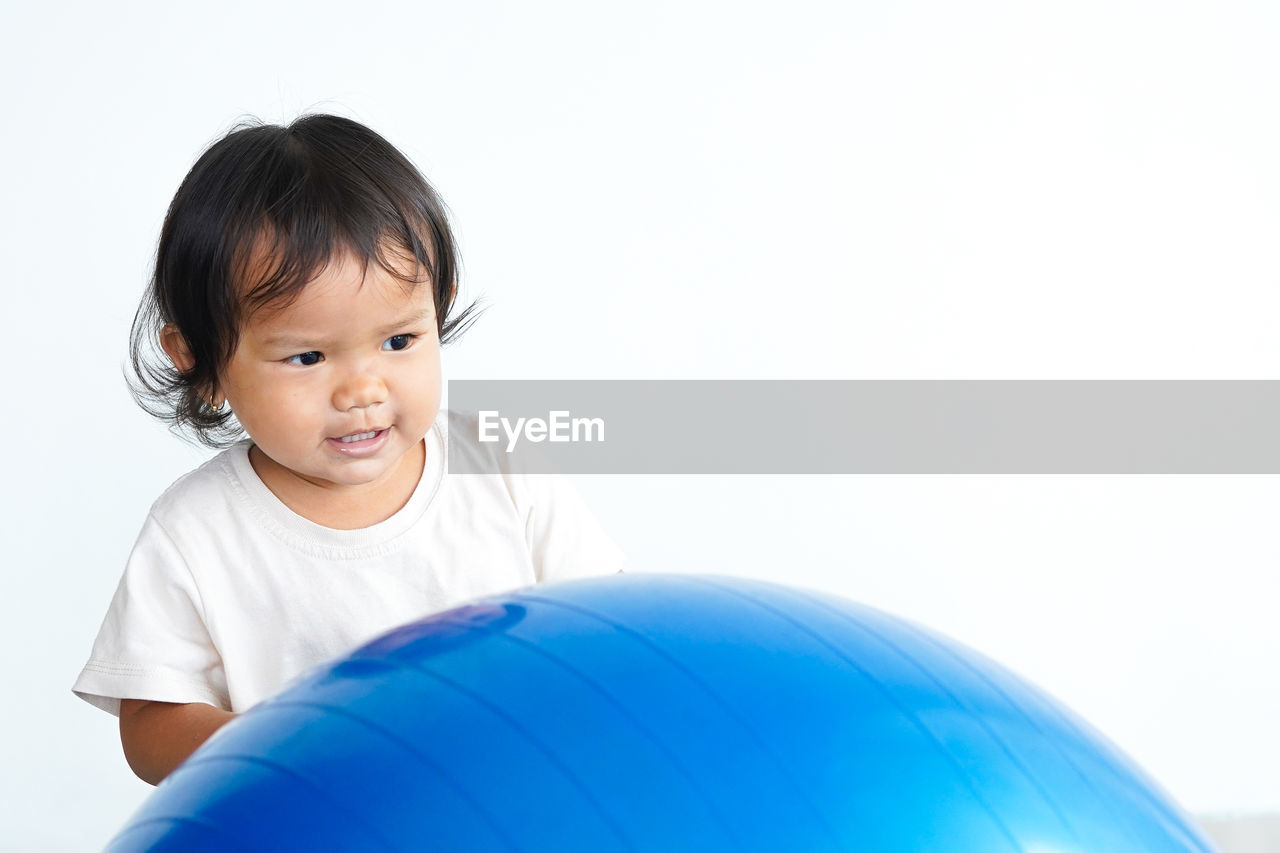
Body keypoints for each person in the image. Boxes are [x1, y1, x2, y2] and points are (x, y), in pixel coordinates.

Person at [71, 114, 625, 786]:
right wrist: (279, 748)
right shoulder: (196, 531)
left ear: (438, 309)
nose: (363, 389)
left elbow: (602, 630)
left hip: (504, 801)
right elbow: (152, 721)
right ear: (202, 362)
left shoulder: (499, 468)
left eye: (399, 341)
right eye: (307, 356)